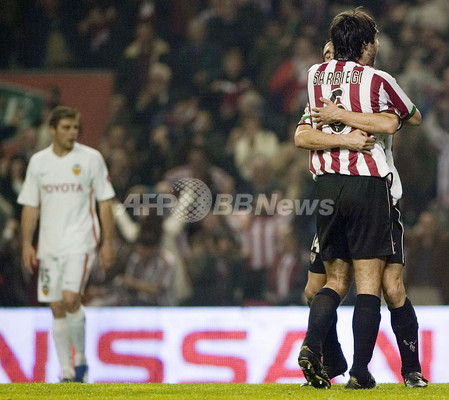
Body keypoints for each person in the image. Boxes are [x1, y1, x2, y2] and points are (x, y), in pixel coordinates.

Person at [295, 8, 422, 389]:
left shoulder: (314, 76)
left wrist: (338, 114)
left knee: (333, 281)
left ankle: (317, 351)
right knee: (371, 283)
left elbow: (305, 133)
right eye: (375, 39)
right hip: (369, 187)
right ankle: (357, 371)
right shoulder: (379, 80)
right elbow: (406, 117)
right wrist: (350, 133)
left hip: (327, 187)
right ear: (366, 44)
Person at [18, 106, 116, 382]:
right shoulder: (38, 162)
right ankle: (67, 371)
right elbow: (30, 206)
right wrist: (27, 243)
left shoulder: (91, 159)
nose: (72, 132)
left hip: (80, 241)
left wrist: (108, 243)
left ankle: (82, 361)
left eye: (75, 127)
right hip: (49, 245)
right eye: (66, 128)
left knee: (71, 298)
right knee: (57, 306)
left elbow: (105, 202)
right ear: (52, 130)